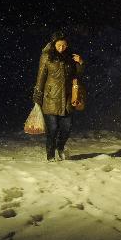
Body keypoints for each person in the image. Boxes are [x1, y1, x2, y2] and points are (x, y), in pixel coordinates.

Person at [32, 30, 85, 161]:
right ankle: (50, 155)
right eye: (59, 45)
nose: (61, 48)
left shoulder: (70, 57)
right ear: (53, 44)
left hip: (67, 98)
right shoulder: (46, 56)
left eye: (64, 46)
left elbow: (77, 76)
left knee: (67, 128)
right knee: (53, 129)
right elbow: (41, 77)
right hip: (50, 98)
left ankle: (60, 147)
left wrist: (80, 63)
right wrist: (37, 97)